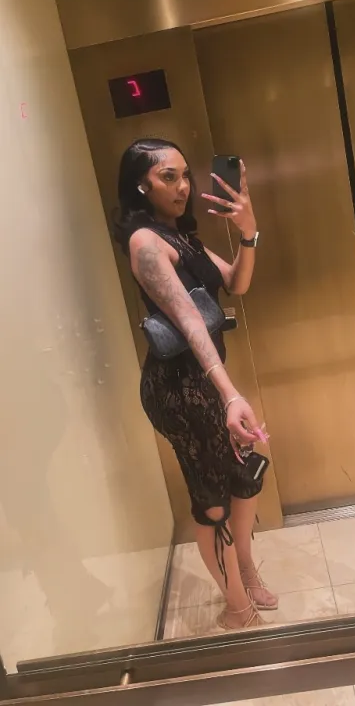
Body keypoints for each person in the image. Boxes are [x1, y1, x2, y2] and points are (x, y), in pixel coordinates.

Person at [116, 138, 278, 630]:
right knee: (212, 499)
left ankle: (244, 568)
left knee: (242, 475)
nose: (183, 186)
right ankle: (236, 608)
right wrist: (230, 393)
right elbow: (189, 322)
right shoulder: (145, 243)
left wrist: (248, 232)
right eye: (169, 177)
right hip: (178, 389)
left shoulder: (181, 237)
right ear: (141, 185)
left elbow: (236, 284)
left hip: (208, 380)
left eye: (186, 175)